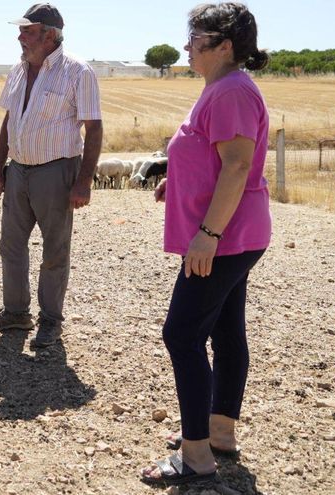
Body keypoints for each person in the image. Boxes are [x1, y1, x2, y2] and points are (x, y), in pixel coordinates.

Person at [140, 2, 271, 486]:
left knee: (183, 335)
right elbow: (214, 157)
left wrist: (207, 235)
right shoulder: (222, 88)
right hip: (236, 235)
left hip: (226, 237)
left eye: (195, 40)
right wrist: (177, 179)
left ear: (224, 46)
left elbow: (238, 165)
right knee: (225, 329)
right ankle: (220, 433)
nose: (187, 48)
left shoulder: (231, 90)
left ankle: (195, 456)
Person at [0, 3, 102, 348]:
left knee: (55, 249)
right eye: (20, 31)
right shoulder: (18, 71)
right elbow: (10, 121)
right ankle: (16, 314)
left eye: (27, 31)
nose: (20, 37)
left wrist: (83, 181)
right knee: (11, 245)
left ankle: (51, 322)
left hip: (57, 171)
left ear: (50, 35)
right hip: (18, 170)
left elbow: (94, 129)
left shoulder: (78, 71)